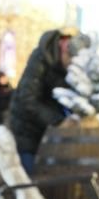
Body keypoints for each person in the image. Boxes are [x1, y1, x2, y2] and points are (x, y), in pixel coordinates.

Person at [8, 27, 76, 174]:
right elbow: (27, 99)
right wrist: (58, 121)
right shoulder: (40, 60)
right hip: (28, 136)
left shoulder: (67, 69)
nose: (72, 63)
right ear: (63, 49)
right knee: (33, 184)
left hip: (50, 138)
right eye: (70, 57)